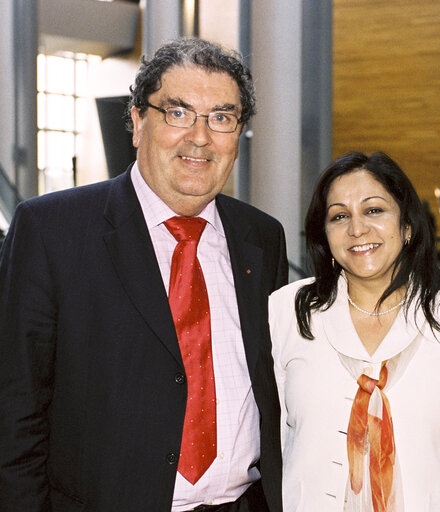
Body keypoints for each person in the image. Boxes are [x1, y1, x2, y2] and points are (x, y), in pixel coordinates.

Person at [0, 38, 287, 512]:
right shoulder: (52, 232)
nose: (200, 136)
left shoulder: (262, 238)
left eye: (221, 117)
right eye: (178, 113)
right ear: (137, 122)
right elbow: (14, 414)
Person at [269, 151, 440, 511]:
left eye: (374, 210)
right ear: (326, 236)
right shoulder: (287, 310)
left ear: (407, 226)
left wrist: (424, 496)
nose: (357, 229)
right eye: (339, 216)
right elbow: (277, 436)